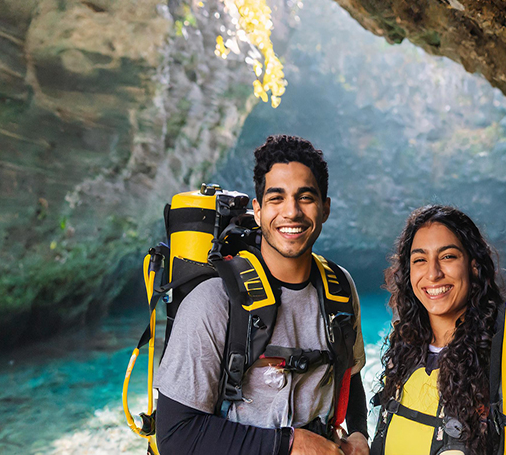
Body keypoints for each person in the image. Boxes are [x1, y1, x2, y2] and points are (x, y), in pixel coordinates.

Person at [153, 135, 369, 455]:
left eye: (305, 197)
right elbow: (175, 434)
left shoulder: (338, 287)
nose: (291, 212)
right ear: (258, 210)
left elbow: (349, 375)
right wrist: (291, 444)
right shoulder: (215, 301)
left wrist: (360, 433)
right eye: (276, 198)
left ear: (325, 208)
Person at [371, 205, 504, 455]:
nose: (433, 274)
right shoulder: (404, 351)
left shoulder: (501, 356)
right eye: (420, 260)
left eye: (448, 256)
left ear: (474, 266)